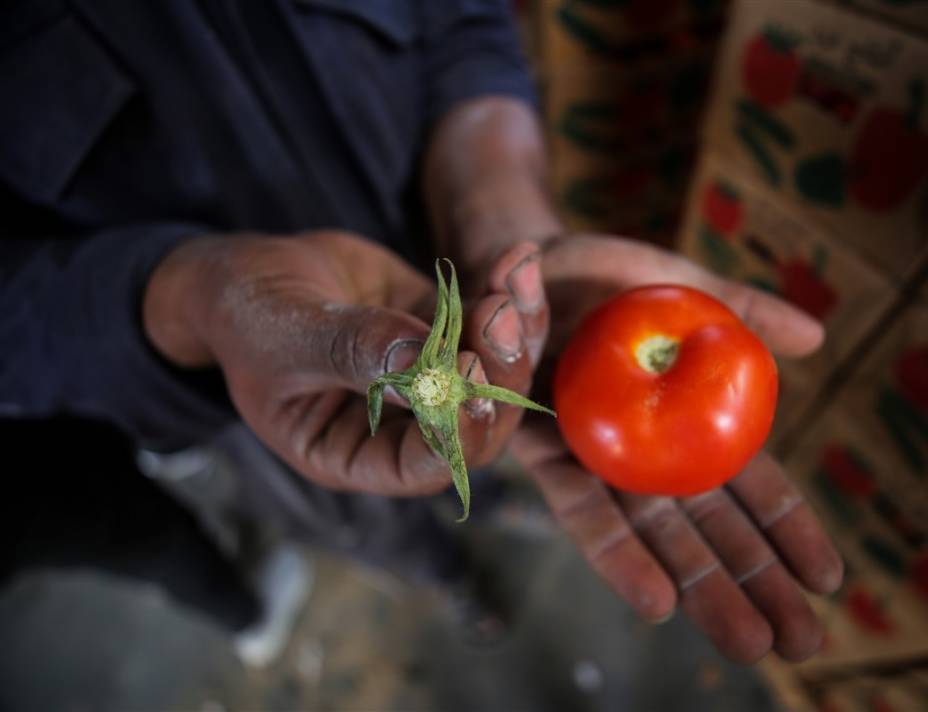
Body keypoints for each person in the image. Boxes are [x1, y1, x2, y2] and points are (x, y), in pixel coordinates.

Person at [0, 0, 841, 666]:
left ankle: (491, 508)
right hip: (258, 390)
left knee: (497, 442)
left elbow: (463, 20)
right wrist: (187, 303)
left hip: (464, 275)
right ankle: (445, 579)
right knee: (360, 510)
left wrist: (494, 201)